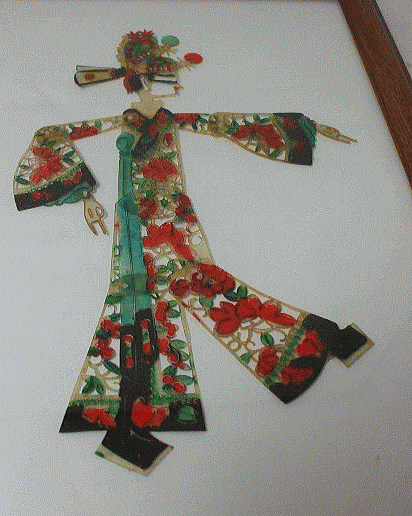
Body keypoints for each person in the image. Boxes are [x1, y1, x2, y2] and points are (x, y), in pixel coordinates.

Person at [13, 30, 373, 475]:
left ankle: (128, 427)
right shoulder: (122, 122)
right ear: (139, 79)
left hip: (173, 220)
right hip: (136, 227)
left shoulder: (171, 120)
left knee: (176, 296)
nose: (171, 84)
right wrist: (84, 194)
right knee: (149, 305)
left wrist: (307, 128)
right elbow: (49, 135)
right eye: (162, 76)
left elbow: (227, 124)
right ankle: (318, 342)